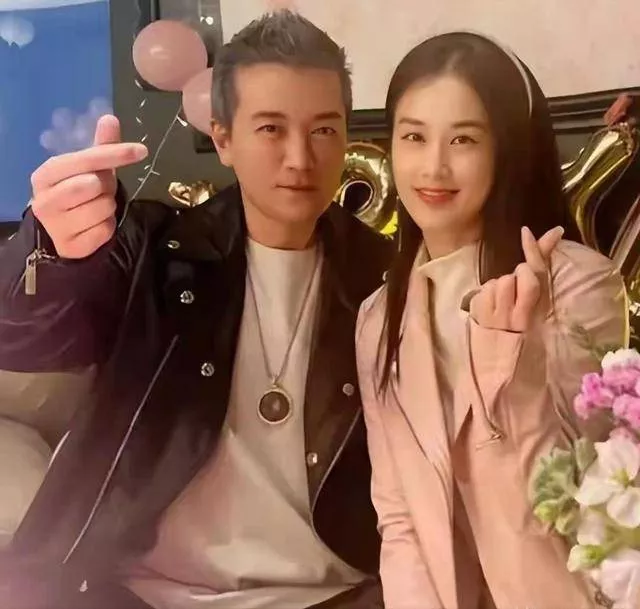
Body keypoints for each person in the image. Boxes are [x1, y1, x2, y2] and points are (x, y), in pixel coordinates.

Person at [0, 10, 391, 609]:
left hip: (336, 593)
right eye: (270, 128)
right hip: (143, 594)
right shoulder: (156, 250)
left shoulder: (383, 276)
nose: (299, 157)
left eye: (323, 129)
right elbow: (26, 338)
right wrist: (49, 252)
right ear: (223, 138)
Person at [355, 32, 629, 609]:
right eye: (414, 136)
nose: (434, 165)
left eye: (464, 139)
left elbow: (582, 510)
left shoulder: (577, 285)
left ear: (507, 150)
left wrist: (509, 364)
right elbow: (399, 520)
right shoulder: (379, 318)